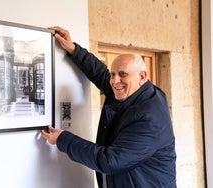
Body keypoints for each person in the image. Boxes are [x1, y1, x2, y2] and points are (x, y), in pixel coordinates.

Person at [41, 26, 176, 188]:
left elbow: (110, 161)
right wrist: (74, 50)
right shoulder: (134, 91)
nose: (114, 81)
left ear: (142, 76)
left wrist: (63, 139)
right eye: (113, 74)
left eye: (122, 74)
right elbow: (102, 75)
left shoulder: (149, 118)